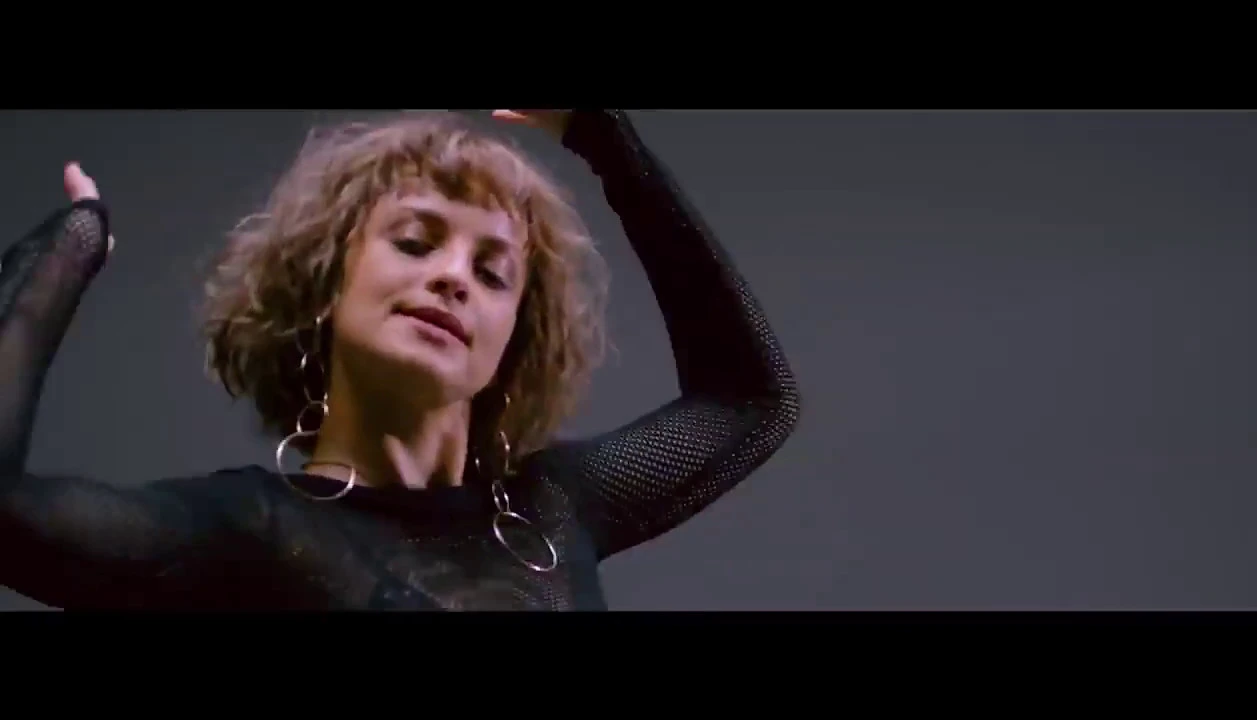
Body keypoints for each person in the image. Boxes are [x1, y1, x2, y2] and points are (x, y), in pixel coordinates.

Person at [0, 109, 799, 610]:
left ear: (512, 344)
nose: (453, 277)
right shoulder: (250, 529)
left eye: (493, 273)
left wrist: (603, 137)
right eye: (415, 242)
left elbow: (753, 400)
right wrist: (63, 254)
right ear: (325, 285)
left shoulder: (555, 507)